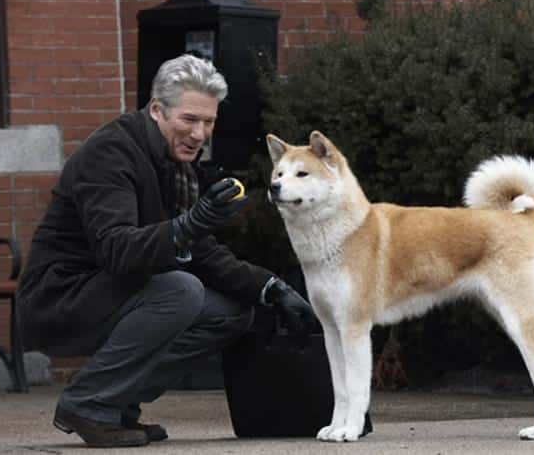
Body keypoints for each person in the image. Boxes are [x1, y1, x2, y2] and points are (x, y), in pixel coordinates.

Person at [16, 54, 316, 448]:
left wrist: (270, 288)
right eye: (189, 120)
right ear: (157, 109)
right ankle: (89, 403)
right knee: (180, 290)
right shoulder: (112, 153)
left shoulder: (173, 160)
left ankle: (116, 403)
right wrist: (192, 223)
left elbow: (200, 248)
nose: (199, 133)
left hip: (109, 293)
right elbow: (118, 251)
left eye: (208, 122)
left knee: (231, 313)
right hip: (58, 301)